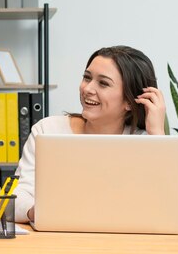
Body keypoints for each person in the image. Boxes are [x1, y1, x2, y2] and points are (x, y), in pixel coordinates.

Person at [14, 45, 166, 223]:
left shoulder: (147, 142)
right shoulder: (48, 130)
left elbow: (170, 206)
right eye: (87, 78)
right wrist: (38, 212)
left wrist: (157, 134)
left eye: (103, 83)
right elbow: (17, 198)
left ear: (130, 102)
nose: (87, 89)